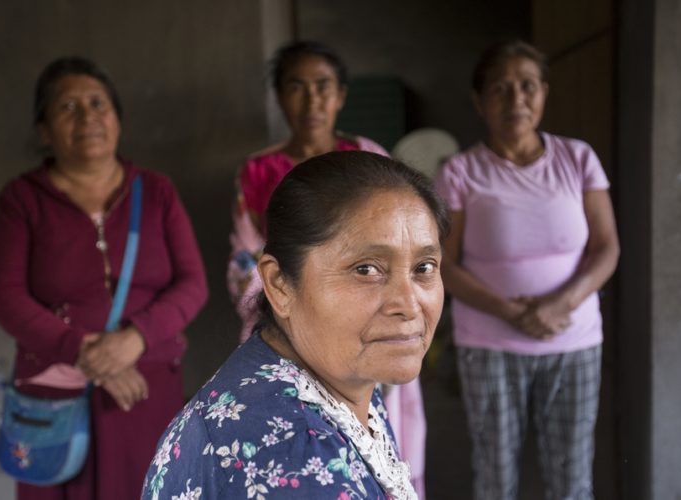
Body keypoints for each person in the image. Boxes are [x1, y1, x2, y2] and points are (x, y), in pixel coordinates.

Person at [144, 151, 449, 499]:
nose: (408, 305)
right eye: (366, 269)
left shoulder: (336, 380)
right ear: (279, 285)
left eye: (424, 268)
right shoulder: (294, 457)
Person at [0, 57, 208, 500]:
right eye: (68, 107)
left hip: (144, 390)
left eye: (98, 104)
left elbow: (192, 284)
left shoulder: (156, 191)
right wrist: (87, 354)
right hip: (56, 395)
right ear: (44, 130)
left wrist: (133, 340)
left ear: (117, 120)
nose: (87, 117)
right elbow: (6, 297)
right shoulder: (23, 199)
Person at [226, 40, 428, 496]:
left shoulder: (368, 155)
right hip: (293, 324)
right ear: (280, 97)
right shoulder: (259, 172)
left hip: (370, 319)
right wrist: (295, 307)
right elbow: (245, 258)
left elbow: (396, 242)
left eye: (323, 87)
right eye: (296, 87)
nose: (312, 99)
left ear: (340, 96)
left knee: (382, 449)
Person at [434, 40, 620, 500]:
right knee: (496, 475)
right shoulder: (460, 172)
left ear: (544, 94)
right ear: (480, 102)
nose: (516, 99)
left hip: (573, 340)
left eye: (527, 86)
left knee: (571, 473)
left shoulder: (577, 159)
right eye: (500, 89)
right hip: (490, 343)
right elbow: (444, 264)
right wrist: (510, 311)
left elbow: (607, 248)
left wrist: (561, 304)